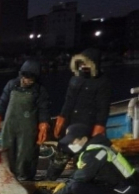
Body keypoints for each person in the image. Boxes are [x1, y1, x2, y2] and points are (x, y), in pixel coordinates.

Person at [45, 123, 139, 194]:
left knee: (77, 187)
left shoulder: (95, 153)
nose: (71, 144)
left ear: (84, 139)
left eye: (73, 140)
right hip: (125, 191)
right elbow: (79, 174)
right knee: (78, 184)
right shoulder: (95, 149)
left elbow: (78, 179)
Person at [47, 48, 111, 180]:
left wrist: (100, 125)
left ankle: (79, 180)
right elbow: (68, 101)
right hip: (71, 122)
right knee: (64, 150)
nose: (83, 66)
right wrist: (61, 117)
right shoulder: (74, 79)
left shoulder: (102, 82)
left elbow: (103, 107)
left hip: (87, 122)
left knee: (74, 149)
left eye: (86, 63)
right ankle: (50, 179)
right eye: (80, 64)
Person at [0, 60, 50, 180]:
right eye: (26, 78)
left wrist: (44, 125)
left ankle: (25, 176)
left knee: (26, 152)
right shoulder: (11, 85)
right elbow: (2, 102)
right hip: (10, 125)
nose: (28, 81)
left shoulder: (39, 90)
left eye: (31, 79)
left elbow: (44, 109)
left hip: (28, 127)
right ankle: (8, 176)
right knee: (8, 150)